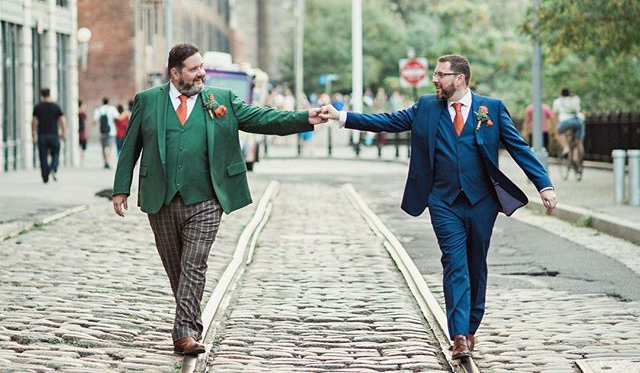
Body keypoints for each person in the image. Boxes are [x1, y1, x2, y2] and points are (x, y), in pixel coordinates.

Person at [321, 54, 557, 362]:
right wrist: (341, 116)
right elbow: (388, 121)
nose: (435, 79)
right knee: (454, 262)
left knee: (476, 264)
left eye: (441, 74)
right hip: (443, 201)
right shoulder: (426, 108)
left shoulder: (491, 110)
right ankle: (459, 335)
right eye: (434, 74)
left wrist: (544, 185)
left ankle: (472, 327)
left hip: (482, 202)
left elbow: (518, 147)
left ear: (459, 79)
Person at [112, 43, 327, 357]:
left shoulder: (220, 99)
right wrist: (121, 188)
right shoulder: (148, 101)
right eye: (194, 68)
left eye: (202, 67)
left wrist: (304, 117)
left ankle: (184, 333)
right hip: (161, 198)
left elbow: (263, 119)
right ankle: (190, 320)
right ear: (174, 73)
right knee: (177, 269)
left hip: (207, 199)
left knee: (193, 265)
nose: (202, 73)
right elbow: (130, 147)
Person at [32, 88, 66, 183]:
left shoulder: (38, 107)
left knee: (43, 156)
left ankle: (45, 177)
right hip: (54, 135)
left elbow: (34, 121)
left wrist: (33, 133)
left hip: (42, 135)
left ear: (42, 95)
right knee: (55, 153)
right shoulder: (56, 106)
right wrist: (63, 132)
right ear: (50, 94)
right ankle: (53, 168)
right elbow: (62, 120)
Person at [552, 88, 584, 157]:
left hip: (565, 122)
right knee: (578, 140)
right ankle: (578, 152)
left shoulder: (557, 101)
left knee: (557, 133)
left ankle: (566, 147)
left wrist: (555, 126)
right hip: (578, 121)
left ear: (561, 94)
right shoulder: (573, 100)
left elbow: (555, 116)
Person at [94, 97, 119, 169]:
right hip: (111, 131)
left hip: (101, 132)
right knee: (109, 147)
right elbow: (118, 118)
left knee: (103, 147)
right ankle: (108, 161)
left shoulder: (98, 110)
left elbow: (95, 120)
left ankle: (105, 161)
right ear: (108, 102)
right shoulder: (112, 109)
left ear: (102, 102)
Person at [78, 100, 88, 164]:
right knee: (82, 146)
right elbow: (86, 117)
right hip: (81, 132)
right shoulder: (81, 113)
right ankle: (81, 159)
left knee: (82, 146)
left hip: (81, 131)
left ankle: (81, 159)